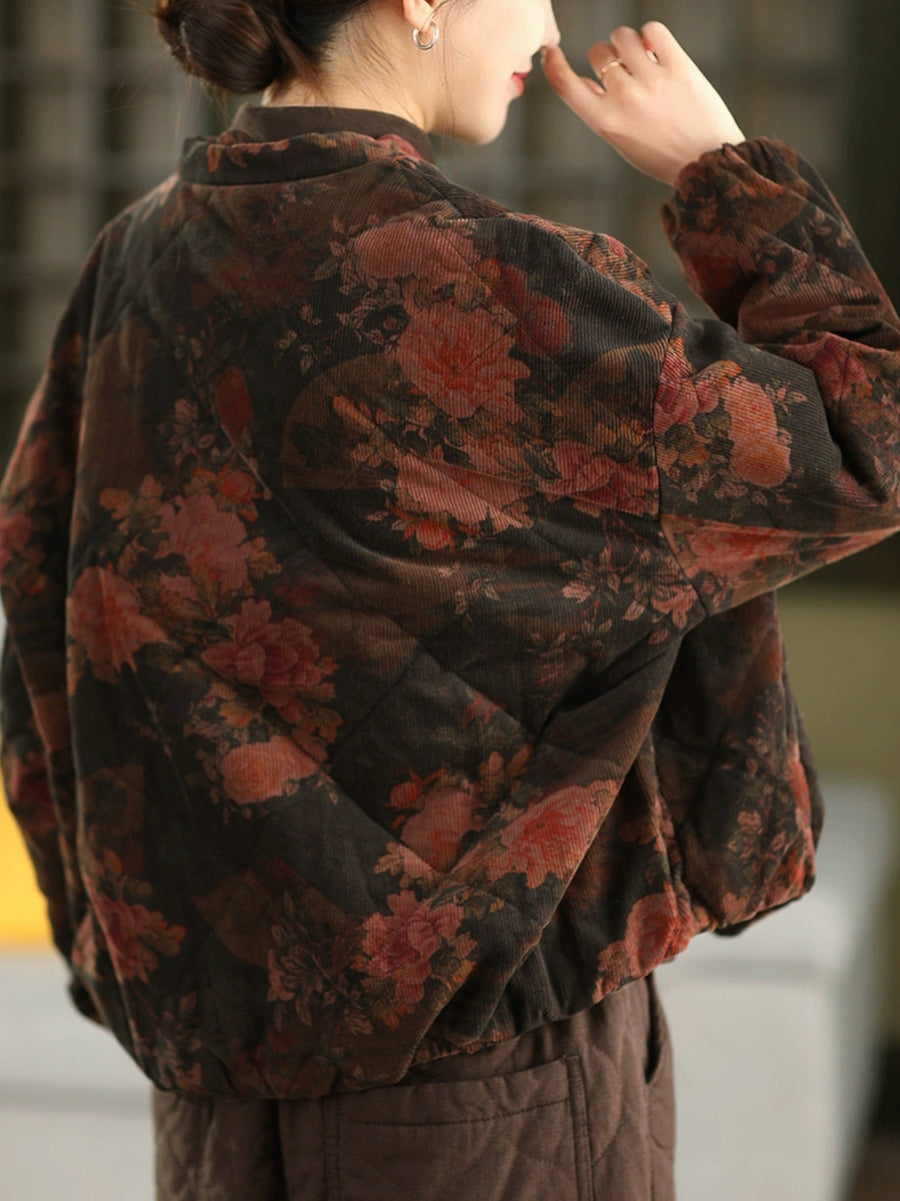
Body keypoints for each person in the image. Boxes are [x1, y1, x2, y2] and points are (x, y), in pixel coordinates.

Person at [0, 1, 898, 1197]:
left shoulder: (134, 262)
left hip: (216, 1103)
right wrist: (719, 173)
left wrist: (132, 965)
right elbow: (872, 444)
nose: (546, 22)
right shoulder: (484, 281)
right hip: (490, 1095)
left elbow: (43, 627)